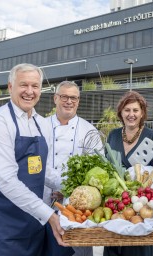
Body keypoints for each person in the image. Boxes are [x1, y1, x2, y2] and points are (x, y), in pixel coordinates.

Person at [0, 63, 72, 256]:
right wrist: (48, 215)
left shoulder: (41, 123)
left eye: (35, 86)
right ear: (10, 87)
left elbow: (44, 170)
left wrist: (74, 186)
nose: (29, 92)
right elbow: (7, 180)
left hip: (31, 218)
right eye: (24, 85)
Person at [44, 80, 102, 256]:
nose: (69, 101)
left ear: (78, 101)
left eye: (74, 98)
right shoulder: (40, 126)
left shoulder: (89, 131)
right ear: (55, 98)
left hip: (74, 210)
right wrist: (57, 184)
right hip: (41, 203)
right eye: (64, 97)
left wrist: (69, 189)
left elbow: (95, 171)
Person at [103, 91, 153, 256]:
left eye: (135, 110)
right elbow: (107, 166)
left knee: (137, 249)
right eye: (127, 110)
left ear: (142, 113)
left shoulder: (151, 136)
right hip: (116, 204)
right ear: (121, 112)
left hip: (140, 204)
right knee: (113, 245)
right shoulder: (113, 135)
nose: (131, 114)